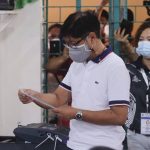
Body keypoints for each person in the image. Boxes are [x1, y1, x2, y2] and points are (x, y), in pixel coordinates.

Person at [18, 10, 130, 150]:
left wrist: (76, 113)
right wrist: (34, 96)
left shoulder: (115, 66)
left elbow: (119, 116)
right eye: (67, 44)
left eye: (74, 43)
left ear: (92, 37)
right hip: (74, 143)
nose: (71, 49)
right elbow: (58, 98)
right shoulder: (77, 64)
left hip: (104, 146)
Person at [125, 19, 150, 150]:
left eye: (149, 39)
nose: (145, 42)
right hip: (135, 136)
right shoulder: (128, 70)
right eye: (141, 39)